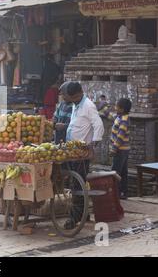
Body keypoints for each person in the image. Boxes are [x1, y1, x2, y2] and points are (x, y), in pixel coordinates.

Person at [61, 81, 104, 228]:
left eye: (68, 96)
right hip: (73, 151)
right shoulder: (76, 105)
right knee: (75, 184)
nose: (66, 99)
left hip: (82, 153)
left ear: (77, 94)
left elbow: (98, 125)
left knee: (78, 186)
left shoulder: (88, 106)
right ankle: (83, 214)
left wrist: (93, 145)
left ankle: (74, 218)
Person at [102, 98, 132, 200]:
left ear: (122, 109)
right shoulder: (119, 117)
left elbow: (120, 136)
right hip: (123, 149)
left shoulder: (124, 120)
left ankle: (116, 193)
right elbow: (109, 115)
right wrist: (105, 107)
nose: (115, 107)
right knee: (123, 171)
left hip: (120, 150)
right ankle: (123, 192)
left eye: (116, 106)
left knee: (115, 171)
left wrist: (114, 149)